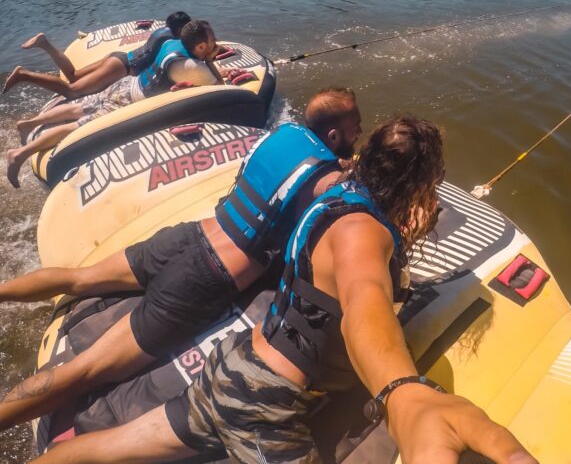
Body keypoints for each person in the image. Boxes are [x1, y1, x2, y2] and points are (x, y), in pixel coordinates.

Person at [31, 117, 537, 464]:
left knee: (110, 448)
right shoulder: (366, 236)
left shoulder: (339, 196)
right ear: (420, 184)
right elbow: (365, 303)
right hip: (266, 407)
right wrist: (403, 392)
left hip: (237, 368)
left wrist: (401, 228)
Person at [0, 88, 364, 432]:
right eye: (355, 126)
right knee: (86, 371)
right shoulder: (330, 180)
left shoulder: (283, 134)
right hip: (204, 278)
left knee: (78, 278)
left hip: (184, 237)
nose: (360, 131)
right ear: (334, 135)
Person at [5, 20, 221, 188]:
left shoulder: (173, 43)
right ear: (201, 45)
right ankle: (19, 155)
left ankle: (30, 123)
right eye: (212, 41)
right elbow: (218, 87)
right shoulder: (190, 66)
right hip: (130, 100)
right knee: (77, 126)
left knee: (78, 108)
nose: (216, 43)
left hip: (126, 84)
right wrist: (210, 60)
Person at [2, 12, 192, 98]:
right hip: (122, 67)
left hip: (119, 57)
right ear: (181, 28)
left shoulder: (161, 31)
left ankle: (45, 44)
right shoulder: (172, 39)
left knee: (73, 76)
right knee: (72, 90)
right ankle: (24, 75)